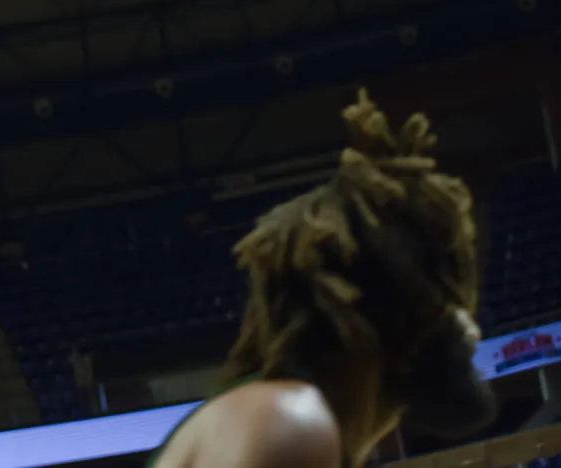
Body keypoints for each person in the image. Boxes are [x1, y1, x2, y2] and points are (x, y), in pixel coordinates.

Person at [150, 90, 498, 468]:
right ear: (407, 308)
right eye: (449, 291)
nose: (470, 326)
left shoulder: (288, 416)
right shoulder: (290, 423)